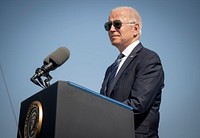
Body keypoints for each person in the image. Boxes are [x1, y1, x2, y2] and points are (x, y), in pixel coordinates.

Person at [100, 6, 164, 138]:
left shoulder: (148, 59)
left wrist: (102, 115)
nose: (112, 29)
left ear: (135, 29)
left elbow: (138, 104)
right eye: (108, 25)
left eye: (117, 24)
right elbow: (102, 103)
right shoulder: (111, 69)